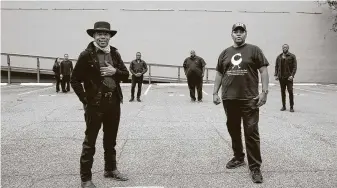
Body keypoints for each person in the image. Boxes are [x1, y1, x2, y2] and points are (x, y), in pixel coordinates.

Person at [70, 21, 129, 188]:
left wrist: (114, 72)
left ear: (109, 36)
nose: (103, 36)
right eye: (99, 34)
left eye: (106, 34)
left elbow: (126, 75)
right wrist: (85, 100)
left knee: (110, 140)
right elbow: (74, 80)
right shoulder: (86, 55)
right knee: (90, 143)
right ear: (94, 36)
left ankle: (110, 169)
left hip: (113, 102)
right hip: (95, 104)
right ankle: (86, 179)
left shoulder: (115, 54)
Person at [212, 22, 269, 184]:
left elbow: (263, 70)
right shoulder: (225, 53)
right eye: (235, 31)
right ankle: (238, 157)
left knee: (251, 132)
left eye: (241, 31)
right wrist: (215, 92)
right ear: (231, 34)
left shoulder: (254, 50)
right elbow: (219, 73)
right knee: (233, 129)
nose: (238, 34)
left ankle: (255, 167)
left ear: (246, 34)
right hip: (229, 99)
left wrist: (264, 92)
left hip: (249, 98)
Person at [274, 44, 297, 112]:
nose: (285, 48)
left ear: (288, 48)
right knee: (282, 92)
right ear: (282, 48)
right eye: (283, 47)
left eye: (286, 47)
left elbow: (294, 67)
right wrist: (276, 75)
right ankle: (283, 106)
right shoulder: (279, 56)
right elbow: (276, 66)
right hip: (281, 77)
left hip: (289, 77)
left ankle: (291, 107)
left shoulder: (292, 56)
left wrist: (292, 75)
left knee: (290, 91)